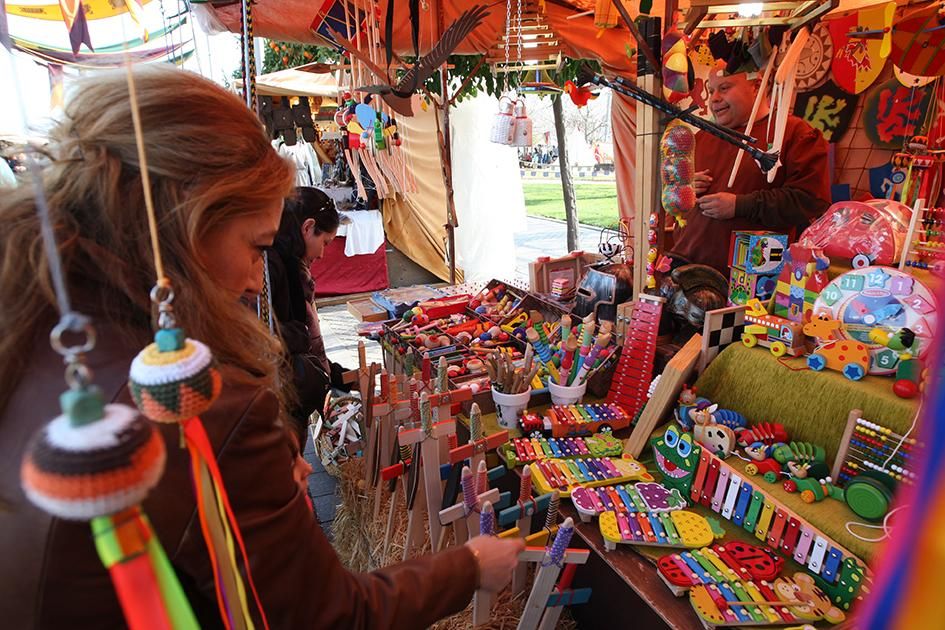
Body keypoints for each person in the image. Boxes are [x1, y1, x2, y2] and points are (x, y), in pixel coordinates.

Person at [0, 66, 523, 629]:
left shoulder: (32, 325)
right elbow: (329, 617)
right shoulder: (199, 404)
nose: (256, 281)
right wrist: (470, 564)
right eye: (255, 248)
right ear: (192, 224)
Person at [669, 68, 831, 274]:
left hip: (749, 282)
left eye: (724, 88)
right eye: (711, 91)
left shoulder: (793, 133)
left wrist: (740, 205)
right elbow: (672, 200)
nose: (715, 99)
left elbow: (810, 201)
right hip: (684, 268)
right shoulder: (700, 138)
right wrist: (684, 189)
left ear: (756, 86)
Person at [266, 186, 352, 445]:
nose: (323, 253)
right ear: (307, 227)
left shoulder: (286, 263)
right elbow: (273, 336)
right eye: (324, 242)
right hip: (281, 402)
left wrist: (337, 375)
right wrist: (299, 337)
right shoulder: (274, 266)